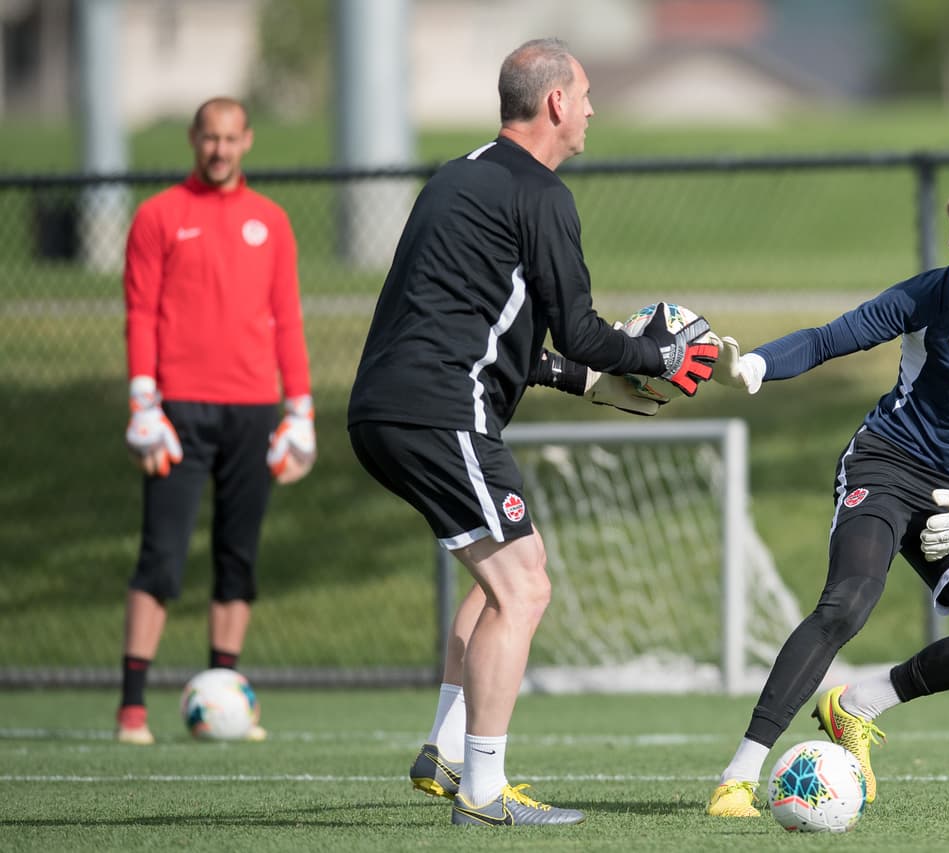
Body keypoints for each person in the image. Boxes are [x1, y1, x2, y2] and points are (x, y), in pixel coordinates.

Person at [347, 38, 718, 827]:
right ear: (554, 102)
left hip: (389, 408)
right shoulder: (543, 195)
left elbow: (485, 327)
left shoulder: (454, 177)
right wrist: (659, 356)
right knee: (525, 586)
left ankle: (448, 749)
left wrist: (587, 381)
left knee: (506, 573)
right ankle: (483, 791)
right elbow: (579, 330)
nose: (591, 109)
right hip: (440, 412)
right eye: (583, 95)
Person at [705, 183, 949, 817]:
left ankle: (859, 704)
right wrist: (754, 367)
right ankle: (739, 776)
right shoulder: (930, 296)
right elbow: (831, 338)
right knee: (847, 603)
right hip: (886, 465)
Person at [117, 97, 316, 745]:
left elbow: (287, 318)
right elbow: (140, 313)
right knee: (162, 558)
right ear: (193, 139)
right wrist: (143, 402)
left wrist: (300, 410)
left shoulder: (272, 221)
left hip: (254, 410)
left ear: (247, 140)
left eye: (231, 138)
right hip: (177, 413)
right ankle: (132, 710)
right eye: (210, 137)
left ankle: (224, 696)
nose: (220, 149)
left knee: (238, 559)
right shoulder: (158, 216)